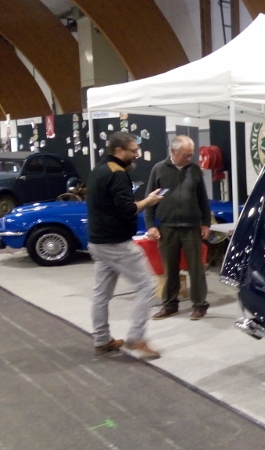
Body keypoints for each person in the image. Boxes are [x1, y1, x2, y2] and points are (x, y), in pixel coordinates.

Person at [87, 132, 163, 359]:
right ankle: (136, 338)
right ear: (119, 150)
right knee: (147, 286)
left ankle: (102, 340)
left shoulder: (98, 170)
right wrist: (148, 201)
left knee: (101, 294)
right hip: (116, 243)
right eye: (133, 151)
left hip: (97, 242)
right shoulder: (117, 174)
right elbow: (127, 209)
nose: (136, 154)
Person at [145, 135, 212, 320]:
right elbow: (149, 200)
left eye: (191, 154)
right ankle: (169, 305)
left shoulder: (195, 170)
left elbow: (203, 199)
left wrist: (206, 223)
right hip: (167, 228)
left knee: (196, 269)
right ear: (173, 152)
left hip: (192, 228)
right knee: (170, 270)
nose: (190, 158)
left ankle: (199, 305)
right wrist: (150, 226)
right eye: (186, 155)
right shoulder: (158, 169)